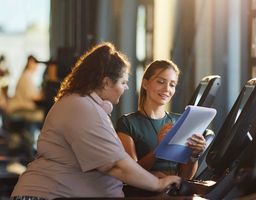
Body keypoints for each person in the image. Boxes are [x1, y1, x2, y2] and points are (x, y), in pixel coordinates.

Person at [10, 43, 180, 199]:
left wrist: (150, 178)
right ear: (106, 82)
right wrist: (157, 183)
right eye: (123, 82)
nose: (126, 88)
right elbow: (115, 164)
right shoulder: (80, 107)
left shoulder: (87, 106)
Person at [115, 60, 207, 196]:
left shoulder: (179, 121)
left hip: (174, 193)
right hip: (143, 194)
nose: (167, 89)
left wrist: (194, 155)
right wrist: (159, 149)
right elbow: (130, 173)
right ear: (145, 83)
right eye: (161, 82)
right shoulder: (127, 123)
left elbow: (186, 176)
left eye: (172, 84)